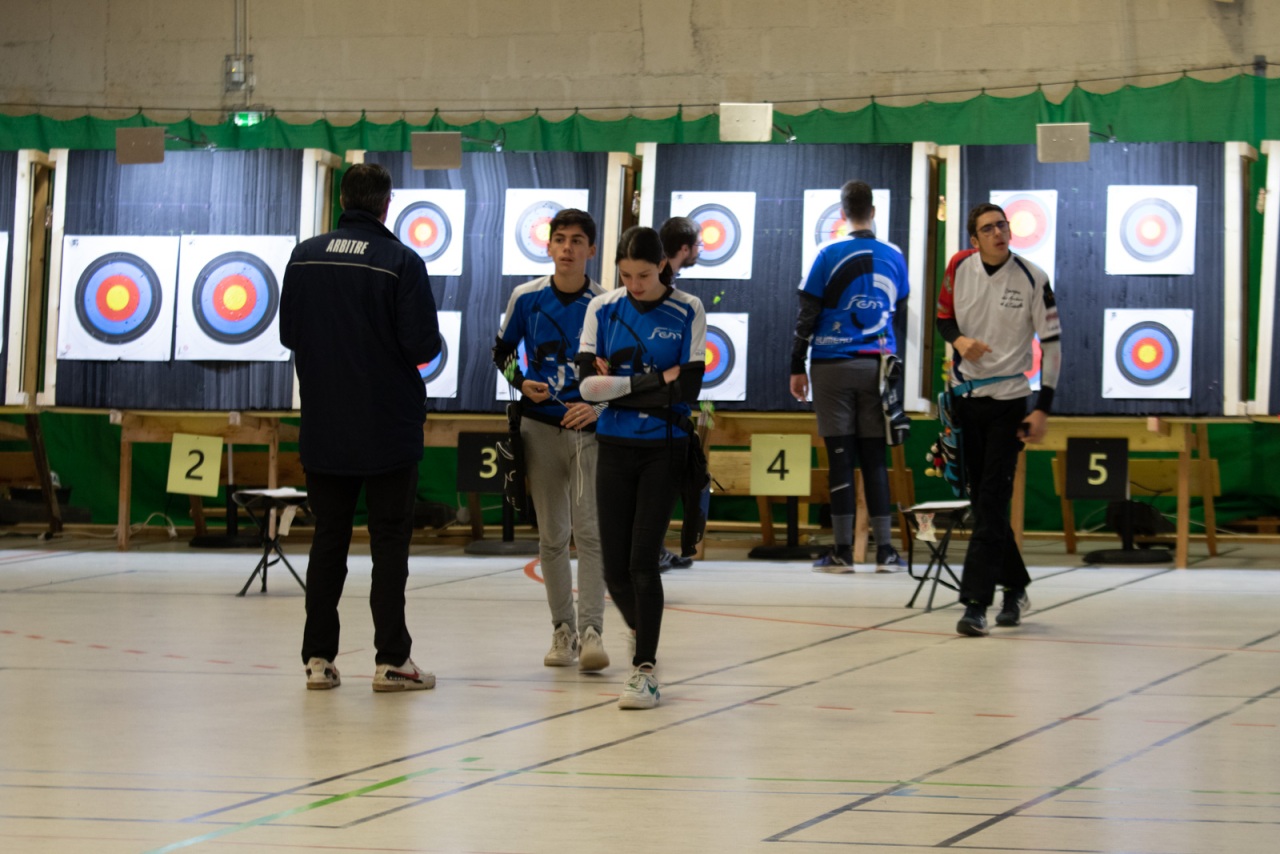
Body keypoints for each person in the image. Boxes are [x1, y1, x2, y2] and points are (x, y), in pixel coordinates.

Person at [280, 162, 441, 691]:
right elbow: (422, 346)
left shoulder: (304, 256)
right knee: (389, 544)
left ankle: (318, 661)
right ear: (386, 205)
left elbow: (289, 334)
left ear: (342, 199)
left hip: (325, 424)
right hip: (388, 427)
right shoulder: (401, 261)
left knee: (328, 540)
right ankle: (392, 661)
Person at [577, 226, 706, 710]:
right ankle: (643, 632)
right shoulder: (602, 308)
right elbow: (588, 386)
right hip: (613, 446)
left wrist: (620, 385)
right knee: (614, 570)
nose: (635, 285)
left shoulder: (688, 308)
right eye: (626, 275)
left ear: (663, 267)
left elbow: (687, 388)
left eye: (645, 276)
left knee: (642, 562)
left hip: (664, 449)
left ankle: (644, 670)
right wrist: (655, 381)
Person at [492, 209, 610, 672]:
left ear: (591, 249)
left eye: (577, 240)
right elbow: (501, 352)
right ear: (548, 247)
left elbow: (622, 372)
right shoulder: (526, 297)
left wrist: (598, 408)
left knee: (590, 533)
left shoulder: (606, 303)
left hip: (588, 431)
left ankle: (593, 631)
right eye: (559, 239)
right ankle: (563, 630)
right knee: (553, 536)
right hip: (538, 427)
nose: (567, 248)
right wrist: (521, 382)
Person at [937, 202, 1062, 637]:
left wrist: (1043, 406)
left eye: (1002, 225)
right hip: (965, 401)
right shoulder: (959, 267)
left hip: (1010, 403)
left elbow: (1052, 344)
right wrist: (959, 341)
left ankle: (975, 604)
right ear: (974, 240)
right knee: (983, 503)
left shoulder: (1033, 277)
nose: (998, 233)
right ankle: (1016, 588)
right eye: (988, 228)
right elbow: (943, 319)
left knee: (991, 499)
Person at [790, 180, 909, 573]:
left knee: (840, 459)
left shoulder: (828, 254)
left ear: (843, 214)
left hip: (831, 366)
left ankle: (842, 552)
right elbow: (899, 310)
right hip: (877, 367)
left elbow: (807, 315)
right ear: (872, 211)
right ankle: (885, 552)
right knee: (874, 459)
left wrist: (796, 365)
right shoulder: (894, 256)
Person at [649, 215, 703, 571]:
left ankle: (654, 547)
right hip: (654, 399)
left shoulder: (666, 281)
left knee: (663, 482)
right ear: (684, 248)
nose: (699, 251)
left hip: (664, 399)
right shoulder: (659, 283)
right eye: (697, 245)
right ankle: (648, 550)